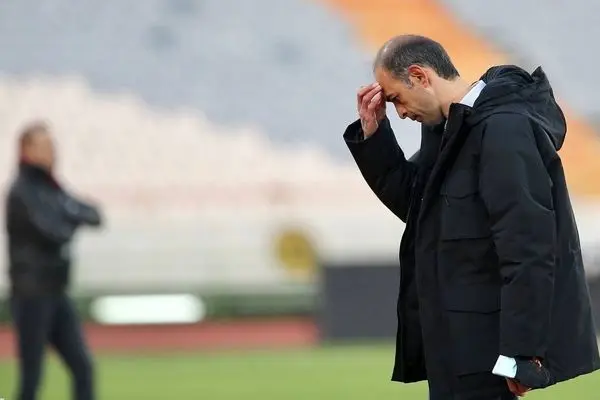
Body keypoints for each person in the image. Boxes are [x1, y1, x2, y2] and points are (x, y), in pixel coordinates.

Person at [344, 34, 600, 399]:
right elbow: (421, 211)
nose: (399, 113)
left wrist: (521, 353)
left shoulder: (502, 128)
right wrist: (375, 137)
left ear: (420, 76)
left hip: (486, 350)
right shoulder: (449, 129)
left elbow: (528, 247)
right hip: (453, 345)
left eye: (397, 98)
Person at [5, 121, 103, 400]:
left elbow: (92, 214)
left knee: (83, 367)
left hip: (56, 291)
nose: (52, 152)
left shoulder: (51, 187)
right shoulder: (22, 192)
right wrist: (71, 218)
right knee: (32, 376)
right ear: (26, 150)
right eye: (45, 146)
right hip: (31, 294)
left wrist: (68, 217)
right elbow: (53, 232)